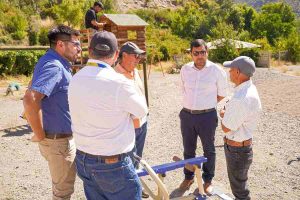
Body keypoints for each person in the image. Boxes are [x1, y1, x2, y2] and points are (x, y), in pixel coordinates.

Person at [68, 31, 148, 200]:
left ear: (89, 51)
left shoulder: (75, 79)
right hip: (113, 163)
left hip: (83, 159)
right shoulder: (119, 82)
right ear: (117, 54)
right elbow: (142, 111)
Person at [23, 25, 81, 199]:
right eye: (76, 43)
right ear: (61, 45)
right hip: (58, 142)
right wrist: (40, 135)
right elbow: (30, 99)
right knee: (62, 193)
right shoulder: (54, 66)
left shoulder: (52, 61)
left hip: (58, 140)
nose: (79, 48)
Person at [179, 39, 227, 194]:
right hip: (187, 115)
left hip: (207, 116)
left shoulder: (216, 70)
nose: (200, 56)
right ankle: (189, 177)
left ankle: (207, 180)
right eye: (196, 53)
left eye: (203, 52)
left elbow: (221, 95)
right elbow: (183, 90)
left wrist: (204, 105)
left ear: (207, 52)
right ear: (191, 54)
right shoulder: (185, 69)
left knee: (209, 149)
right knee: (188, 148)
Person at [220, 56, 262, 200]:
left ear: (237, 72)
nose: (229, 72)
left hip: (237, 150)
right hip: (242, 147)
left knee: (240, 191)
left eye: (230, 70)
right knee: (240, 185)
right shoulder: (249, 88)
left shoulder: (241, 97)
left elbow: (226, 127)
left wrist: (223, 114)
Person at [115, 41, 149, 198]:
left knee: (137, 157)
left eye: (139, 56)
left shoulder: (134, 71)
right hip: (128, 125)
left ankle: (135, 185)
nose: (138, 59)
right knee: (127, 158)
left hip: (141, 122)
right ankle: (128, 191)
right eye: (135, 56)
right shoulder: (115, 75)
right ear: (124, 56)